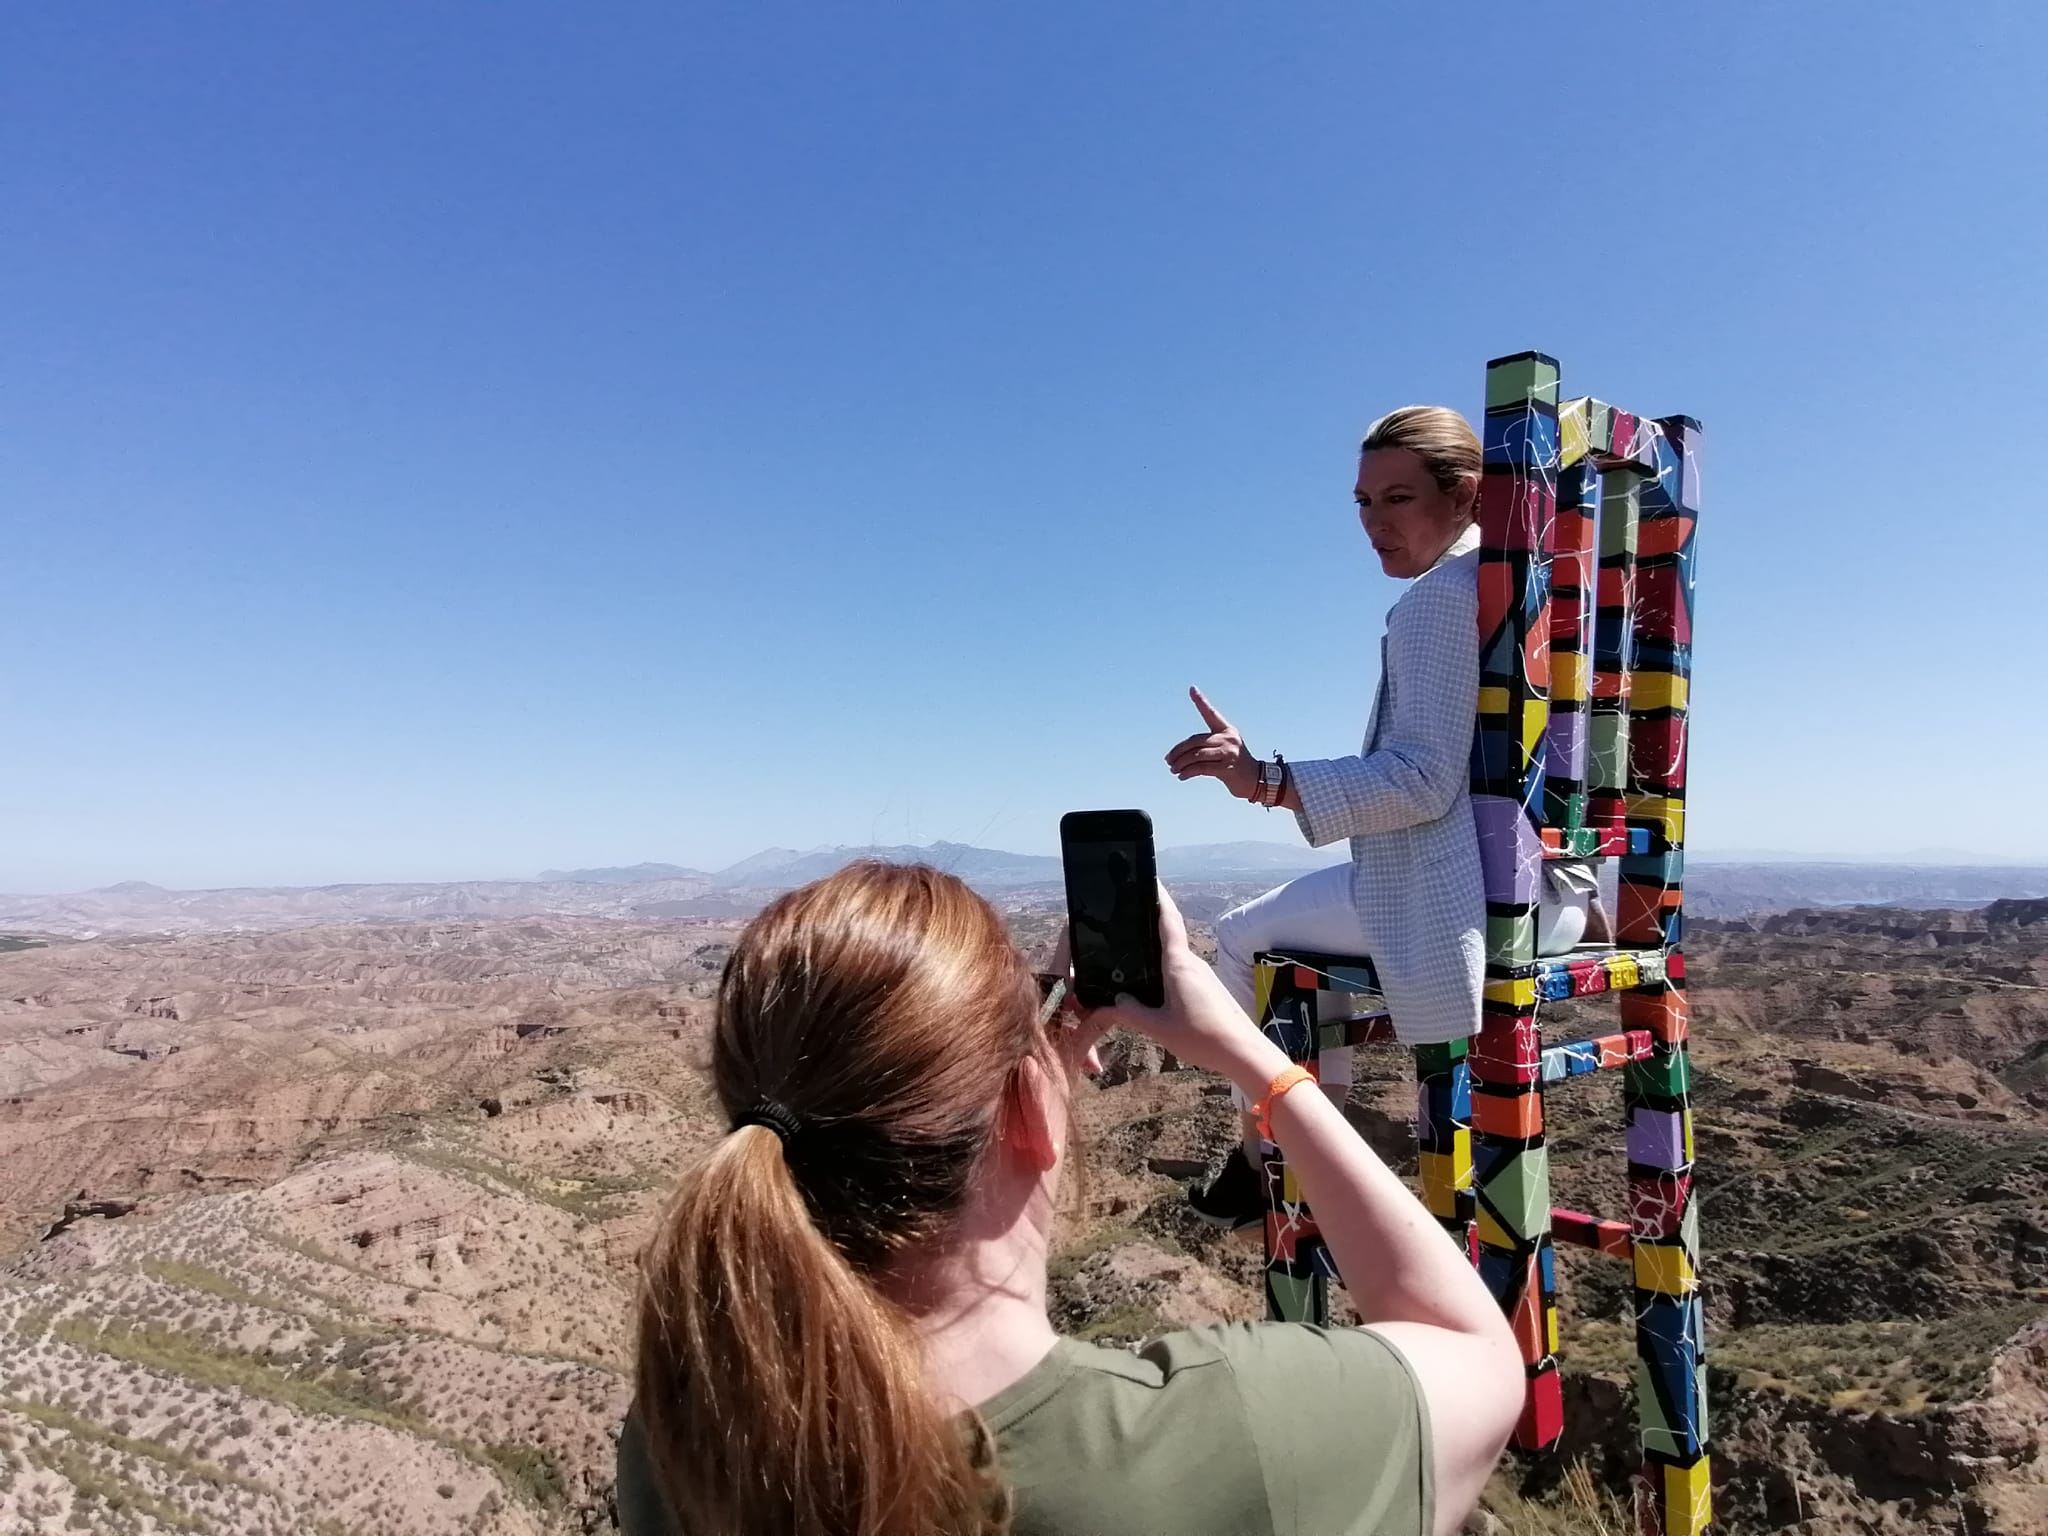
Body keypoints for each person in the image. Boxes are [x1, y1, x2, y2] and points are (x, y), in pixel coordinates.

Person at [618, 861, 1521, 1536]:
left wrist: (1022, 1059)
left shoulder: (681, 1446)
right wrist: (1260, 1064)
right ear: (1026, 1110)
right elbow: (1475, 1355)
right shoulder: (1213, 1441)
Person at [1166, 406, 1608, 1229]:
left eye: (1396, 498)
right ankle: (1293, 1139)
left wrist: (1261, 778)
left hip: (1470, 906)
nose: (1373, 523)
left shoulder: (1441, 598)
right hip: (1555, 898)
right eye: (1363, 503)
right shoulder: (1539, 591)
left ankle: (1267, 1149)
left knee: (1238, 936)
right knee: (1295, 943)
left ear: (1466, 495)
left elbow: (1418, 783)